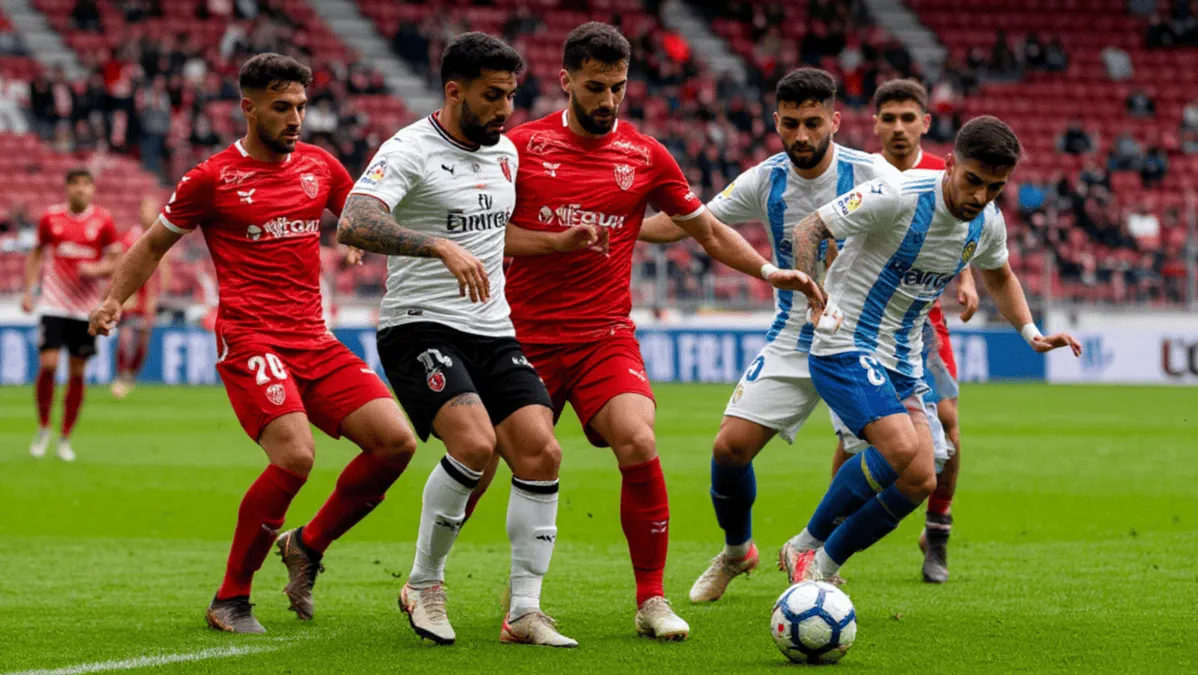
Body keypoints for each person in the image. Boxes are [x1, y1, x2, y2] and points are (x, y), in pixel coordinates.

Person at [466, 23, 821, 640]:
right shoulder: (518, 149)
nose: (608, 101)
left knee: (638, 442)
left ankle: (651, 600)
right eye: (596, 87)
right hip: (519, 337)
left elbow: (706, 229)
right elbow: (487, 234)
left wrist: (770, 270)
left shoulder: (646, 155)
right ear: (566, 81)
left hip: (604, 336)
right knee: (482, 461)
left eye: (619, 88)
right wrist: (557, 242)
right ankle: (426, 580)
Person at [89, 53, 418, 634]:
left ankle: (306, 546)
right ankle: (230, 598)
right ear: (248, 107)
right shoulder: (211, 178)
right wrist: (115, 298)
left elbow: (361, 216)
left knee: (396, 444)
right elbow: (150, 246)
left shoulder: (320, 165)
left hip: (314, 339)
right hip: (250, 338)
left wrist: (357, 239)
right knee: (295, 456)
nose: (295, 119)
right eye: (281, 107)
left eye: (301, 107)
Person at [336, 33, 600, 648]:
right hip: (418, 324)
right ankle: (424, 584)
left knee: (541, 453)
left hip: (491, 328)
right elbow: (355, 219)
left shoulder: (504, 153)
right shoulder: (409, 148)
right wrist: (434, 244)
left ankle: (524, 612)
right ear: (454, 91)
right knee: (476, 445)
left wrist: (556, 244)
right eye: (492, 96)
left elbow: (489, 239)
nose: (505, 109)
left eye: (510, 94)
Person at [635, 68, 898, 604]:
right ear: (776, 121)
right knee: (729, 449)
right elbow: (695, 222)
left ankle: (822, 556)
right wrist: (620, 225)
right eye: (792, 124)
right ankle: (737, 551)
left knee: (894, 458)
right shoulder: (765, 179)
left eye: (814, 123)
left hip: (863, 339)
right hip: (794, 338)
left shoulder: (871, 172)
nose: (802, 136)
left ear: (836, 121)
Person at [782, 116, 1081, 585]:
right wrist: (811, 302)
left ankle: (823, 566)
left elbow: (999, 275)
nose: (980, 196)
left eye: (995, 187)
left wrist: (1030, 332)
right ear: (949, 165)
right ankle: (804, 545)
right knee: (901, 449)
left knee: (921, 479)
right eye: (973, 181)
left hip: (902, 358)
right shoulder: (898, 195)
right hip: (844, 341)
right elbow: (808, 229)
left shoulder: (986, 223)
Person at [839, 78, 979, 583]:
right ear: (874, 124)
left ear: (925, 122)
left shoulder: (948, 172)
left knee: (948, 421)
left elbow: (969, 231)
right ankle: (834, 537)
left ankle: (937, 531)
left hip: (923, 322)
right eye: (889, 118)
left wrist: (965, 279)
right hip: (862, 320)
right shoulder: (859, 174)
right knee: (857, 434)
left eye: (908, 118)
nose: (898, 128)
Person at [24, 168, 121, 462]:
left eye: (86, 185)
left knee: (77, 371)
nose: (81, 189)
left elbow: (116, 261)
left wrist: (96, 269)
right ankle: (43, 427)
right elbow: (37, 253)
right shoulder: (50, 218)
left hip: (85, 310)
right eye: (76, 184)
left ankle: (65, 437)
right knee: (49, 364)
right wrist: (30, 290)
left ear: (93, 189)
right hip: (53, 304)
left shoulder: (103, 221)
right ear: (67, 188)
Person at [112, 197, 170, 399]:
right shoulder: (132, 235)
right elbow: (122, 264)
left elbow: (164, 266)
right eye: (145, 208)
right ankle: (121, 376)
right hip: (134, 293)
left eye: (151, 209)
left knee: (142, 342)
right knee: (126, 337)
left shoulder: (163, 234)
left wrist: (158, 295)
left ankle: (131, 376)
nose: (148, 213)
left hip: (149, 297)